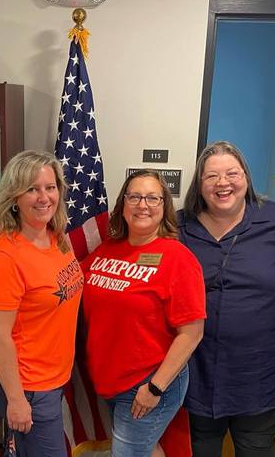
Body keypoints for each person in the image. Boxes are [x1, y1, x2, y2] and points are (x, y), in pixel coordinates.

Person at [177, 141, 275, 457]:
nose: (222, 183)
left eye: (232, 173)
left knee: (257, 449)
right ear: (199, 184)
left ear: (246, 178)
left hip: (258, 375)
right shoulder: (178, 226)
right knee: (198, 449)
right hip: (194, 372)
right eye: (211, 176)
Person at [82, 169, 206, 457]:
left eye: (153, 198)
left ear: (164, 207)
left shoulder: (179, 260)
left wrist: (155, 388)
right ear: (123, 205)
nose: (143, 205)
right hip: (109, 381)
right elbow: (70, 282)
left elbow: (192, 332)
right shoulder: (107, 250)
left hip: (147, 383)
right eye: (135, 196)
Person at [0, 150, 84, 456]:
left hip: (53, 377)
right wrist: (16, 399)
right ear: (14, 197)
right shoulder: (5, 258)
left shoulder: (56, 238)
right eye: (32, 189)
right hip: (27, 384)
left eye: (50, 187)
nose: (43, 197)